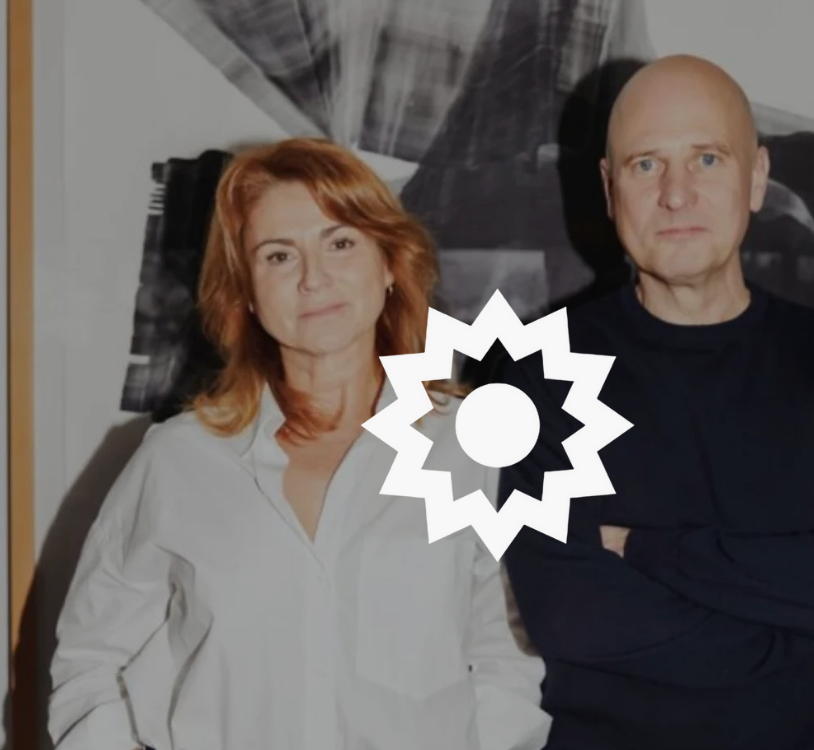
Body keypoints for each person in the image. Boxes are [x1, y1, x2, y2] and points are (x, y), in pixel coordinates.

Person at [497, 55, 814, 750]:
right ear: (610, 189)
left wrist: (643, 548)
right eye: (647, 164)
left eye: (707, 159)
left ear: (757, 178)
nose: (676, 194)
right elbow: (570, 616)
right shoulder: (540, 369)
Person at [48, 138, 551, 750]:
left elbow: (508, 662)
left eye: (340, 243)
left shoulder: (472, 447)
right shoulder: (177, 460)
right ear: (246, 292)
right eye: (279, 256)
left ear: (389, 264)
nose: (314, 279)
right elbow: (90, 662)